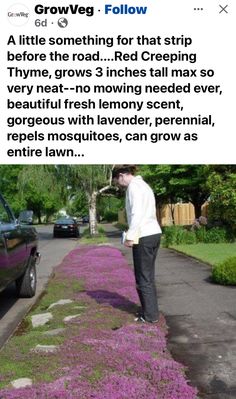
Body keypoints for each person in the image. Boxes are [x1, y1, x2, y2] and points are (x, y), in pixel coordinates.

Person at [112, 165, 162, 323]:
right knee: (148, 277)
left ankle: (150, 317)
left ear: (121, 176)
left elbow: (137, 213)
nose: (119, 185)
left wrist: (130, 236)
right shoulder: (144, 185)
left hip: (144, 235)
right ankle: (151, 312)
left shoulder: (133, 187)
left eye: (117, 181)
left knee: (142, 278)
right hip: (154, 233)